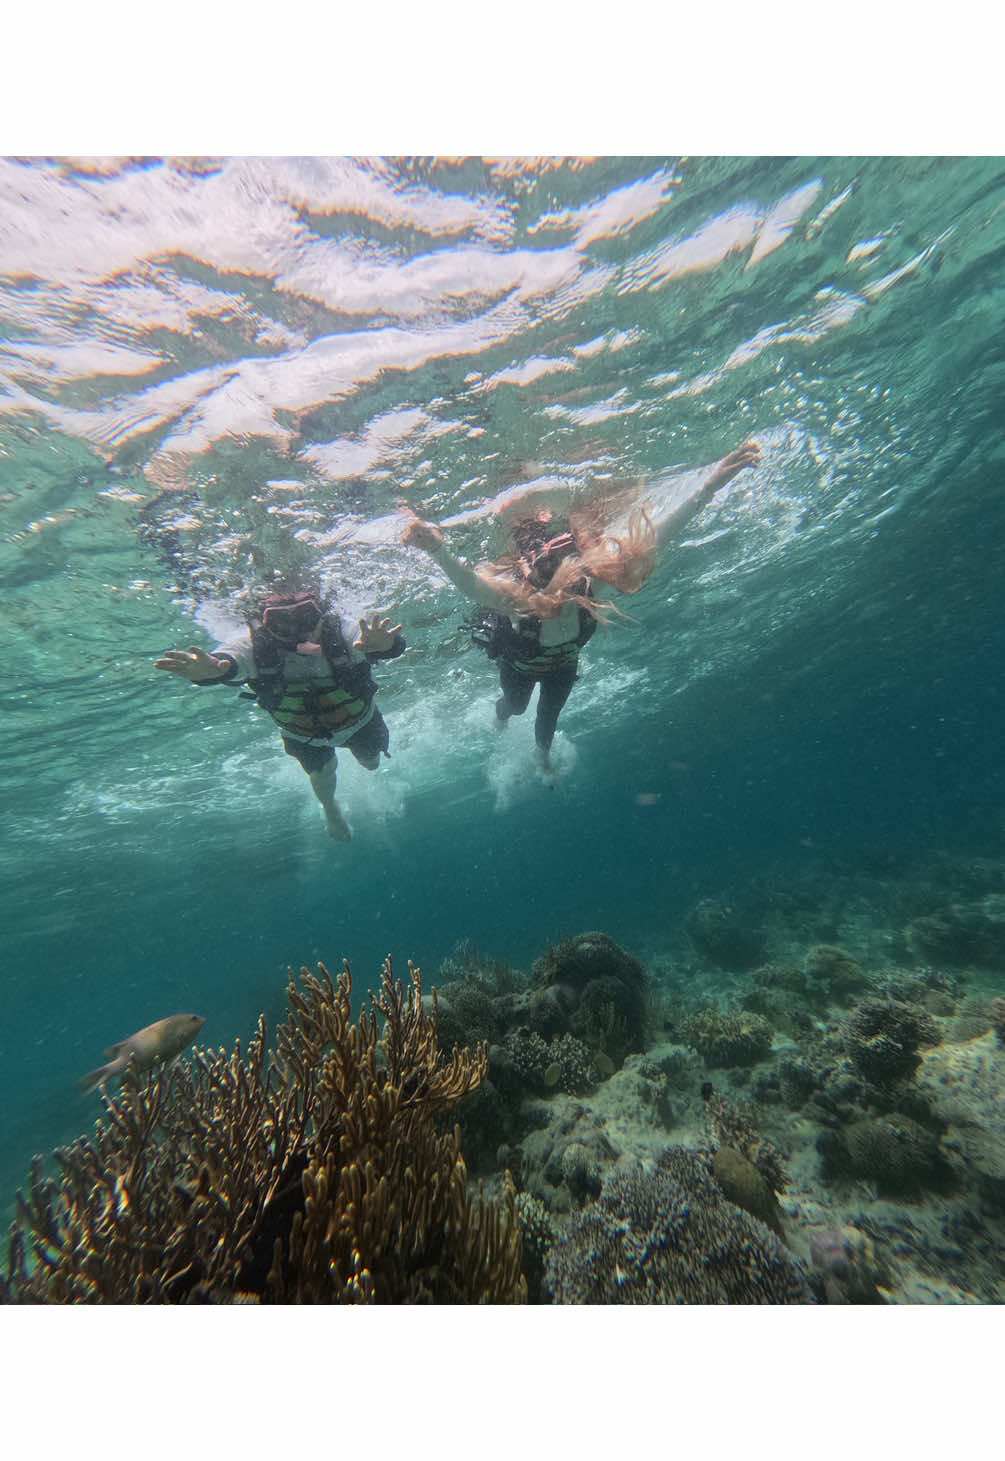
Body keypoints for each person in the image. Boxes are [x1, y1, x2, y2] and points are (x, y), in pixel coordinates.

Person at [402, 441, 760, 773]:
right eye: (560, 584)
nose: (568, 592)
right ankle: (501, 716)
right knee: (516, 706)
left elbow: (654, 539)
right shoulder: (519, 601)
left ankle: (541, 755)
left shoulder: (588, 584)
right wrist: (437, 550)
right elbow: (472, 585)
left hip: (562, 666)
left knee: (549, 718)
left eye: (572, 581)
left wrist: (709, 485)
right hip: (519, 667)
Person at [155, 586, 405, 840]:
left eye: (305, 617)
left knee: (372, 764)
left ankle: (360, 768)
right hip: (304, 736)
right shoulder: (254, 645)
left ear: (320, 614)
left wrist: (385, 645)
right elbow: (228, 660)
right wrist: (214, 671)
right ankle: (331, 810)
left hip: (360, 722)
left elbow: (373, 643)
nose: (297, 630)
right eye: (281, 621)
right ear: (265, 622)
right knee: (322, 773)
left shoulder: (341, 631)